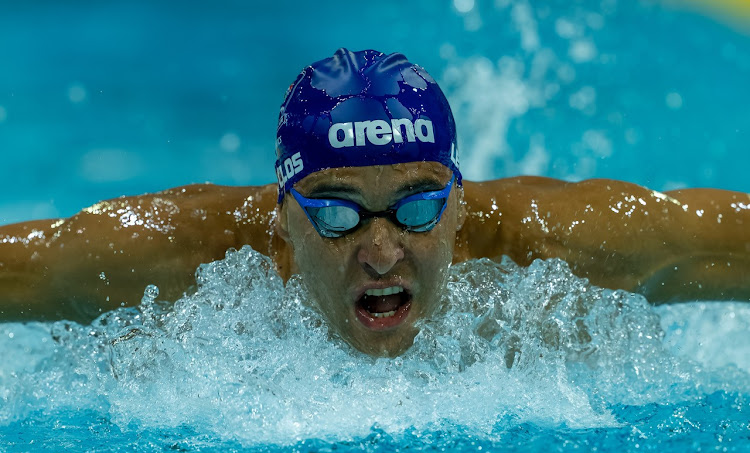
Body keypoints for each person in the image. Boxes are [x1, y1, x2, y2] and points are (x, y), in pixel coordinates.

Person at [1, 48, 748, 356]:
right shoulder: (175, 252)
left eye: (418, 209)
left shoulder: (556, 242)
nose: (383, 251)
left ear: (457, 203)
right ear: (284, 209)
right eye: (336, 212)